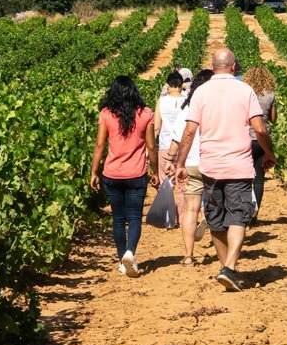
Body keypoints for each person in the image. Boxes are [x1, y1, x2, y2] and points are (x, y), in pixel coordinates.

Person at [169, 49, 275, 292]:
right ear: (234, 67)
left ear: (211, 65)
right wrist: (269, 153)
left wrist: (181, 164)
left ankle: (225, 267)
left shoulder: (201, 92)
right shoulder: (245, 90)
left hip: (211, 167)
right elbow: (259, 129)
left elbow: (189, 131)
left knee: (216, 219)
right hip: (238, 165)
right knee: (238, 216)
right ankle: (229, 268)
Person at [89, 76, 158, 277]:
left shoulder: (106, 114)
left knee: (118, 219)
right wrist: (155, 172)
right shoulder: (145, 113)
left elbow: (100, 145)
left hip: (112, 173)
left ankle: (122, 260)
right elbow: (151, 146)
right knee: (135, 217)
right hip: (137, 174)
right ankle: (130, 253)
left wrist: (94, 172)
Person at [166, 68, 214, 265]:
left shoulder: (186, 107)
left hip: (191, 163)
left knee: (189, 210)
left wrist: (171, 161)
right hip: (214, 162)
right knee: (218, 206)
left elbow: (178, 138)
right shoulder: (217, 107)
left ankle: (188, 256)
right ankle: (224, 256)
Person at [242, 65, 277, 220]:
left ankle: (242, 211)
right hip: (262, 139)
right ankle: (254, 215)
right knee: (259, 178)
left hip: (244, 138)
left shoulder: (244, 93)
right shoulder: (270, 95)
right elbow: (273, 119)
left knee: (243, 177)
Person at [152, 70, 187, 221]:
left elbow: (156, 127)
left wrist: (151, 147)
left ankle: (167, 216)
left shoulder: (161, 101)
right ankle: (182, 217)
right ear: (182, 85)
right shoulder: (187, 100)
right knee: (183, 183)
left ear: (167, 85)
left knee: (165, 181)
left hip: (166, 145)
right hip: (184, 146)